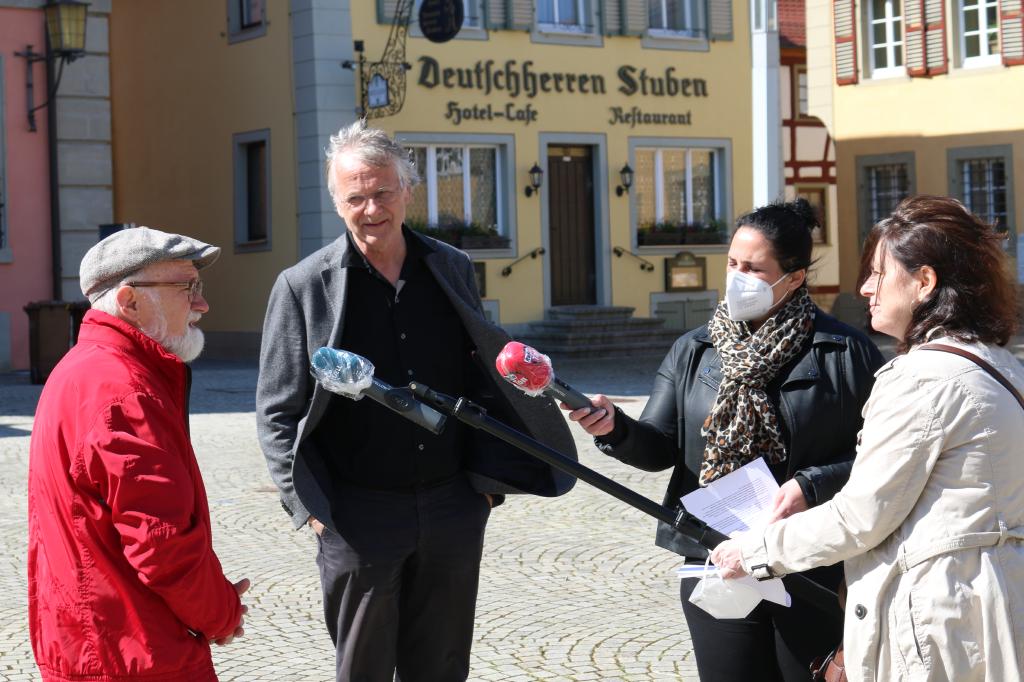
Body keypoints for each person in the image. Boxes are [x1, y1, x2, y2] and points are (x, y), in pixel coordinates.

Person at [256, 120, 577, 682]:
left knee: (443, 663)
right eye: (355, 197)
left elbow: (481, 375)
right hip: (357, 514)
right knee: (365, 668)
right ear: (337, 202)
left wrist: (486, 491)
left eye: (382, 192)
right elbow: (278, 410)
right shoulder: (303, 285)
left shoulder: (449, 266)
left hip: (453, 503)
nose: (371, 208)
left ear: (408, 190)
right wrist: (309, 508)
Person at [566, 199, 885, 681]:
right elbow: (658, 447)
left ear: (794, 277)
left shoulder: (844, 351)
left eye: (755, 268)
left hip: (809, 558)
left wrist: (811, 484)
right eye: (733, 263)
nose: (738, 277)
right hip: (715, 554)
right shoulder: (695, 349)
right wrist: (616, 429)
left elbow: (879, 454)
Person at [712, 196, 1024, 681]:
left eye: (879, 273)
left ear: (924, 282)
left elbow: (862, 516)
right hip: (993, 604)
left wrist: (755, 552)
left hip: (942, 623)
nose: (866, 288)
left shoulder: (922, 377)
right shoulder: (1001, 363)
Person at [27, 227, 249, 682]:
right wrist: (222, 613)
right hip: (133, 653)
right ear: (129, 302)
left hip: (98, 639)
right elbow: (163, 546)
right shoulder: (122, 391)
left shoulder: (89, 368)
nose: (202, 304)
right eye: (187, 288)